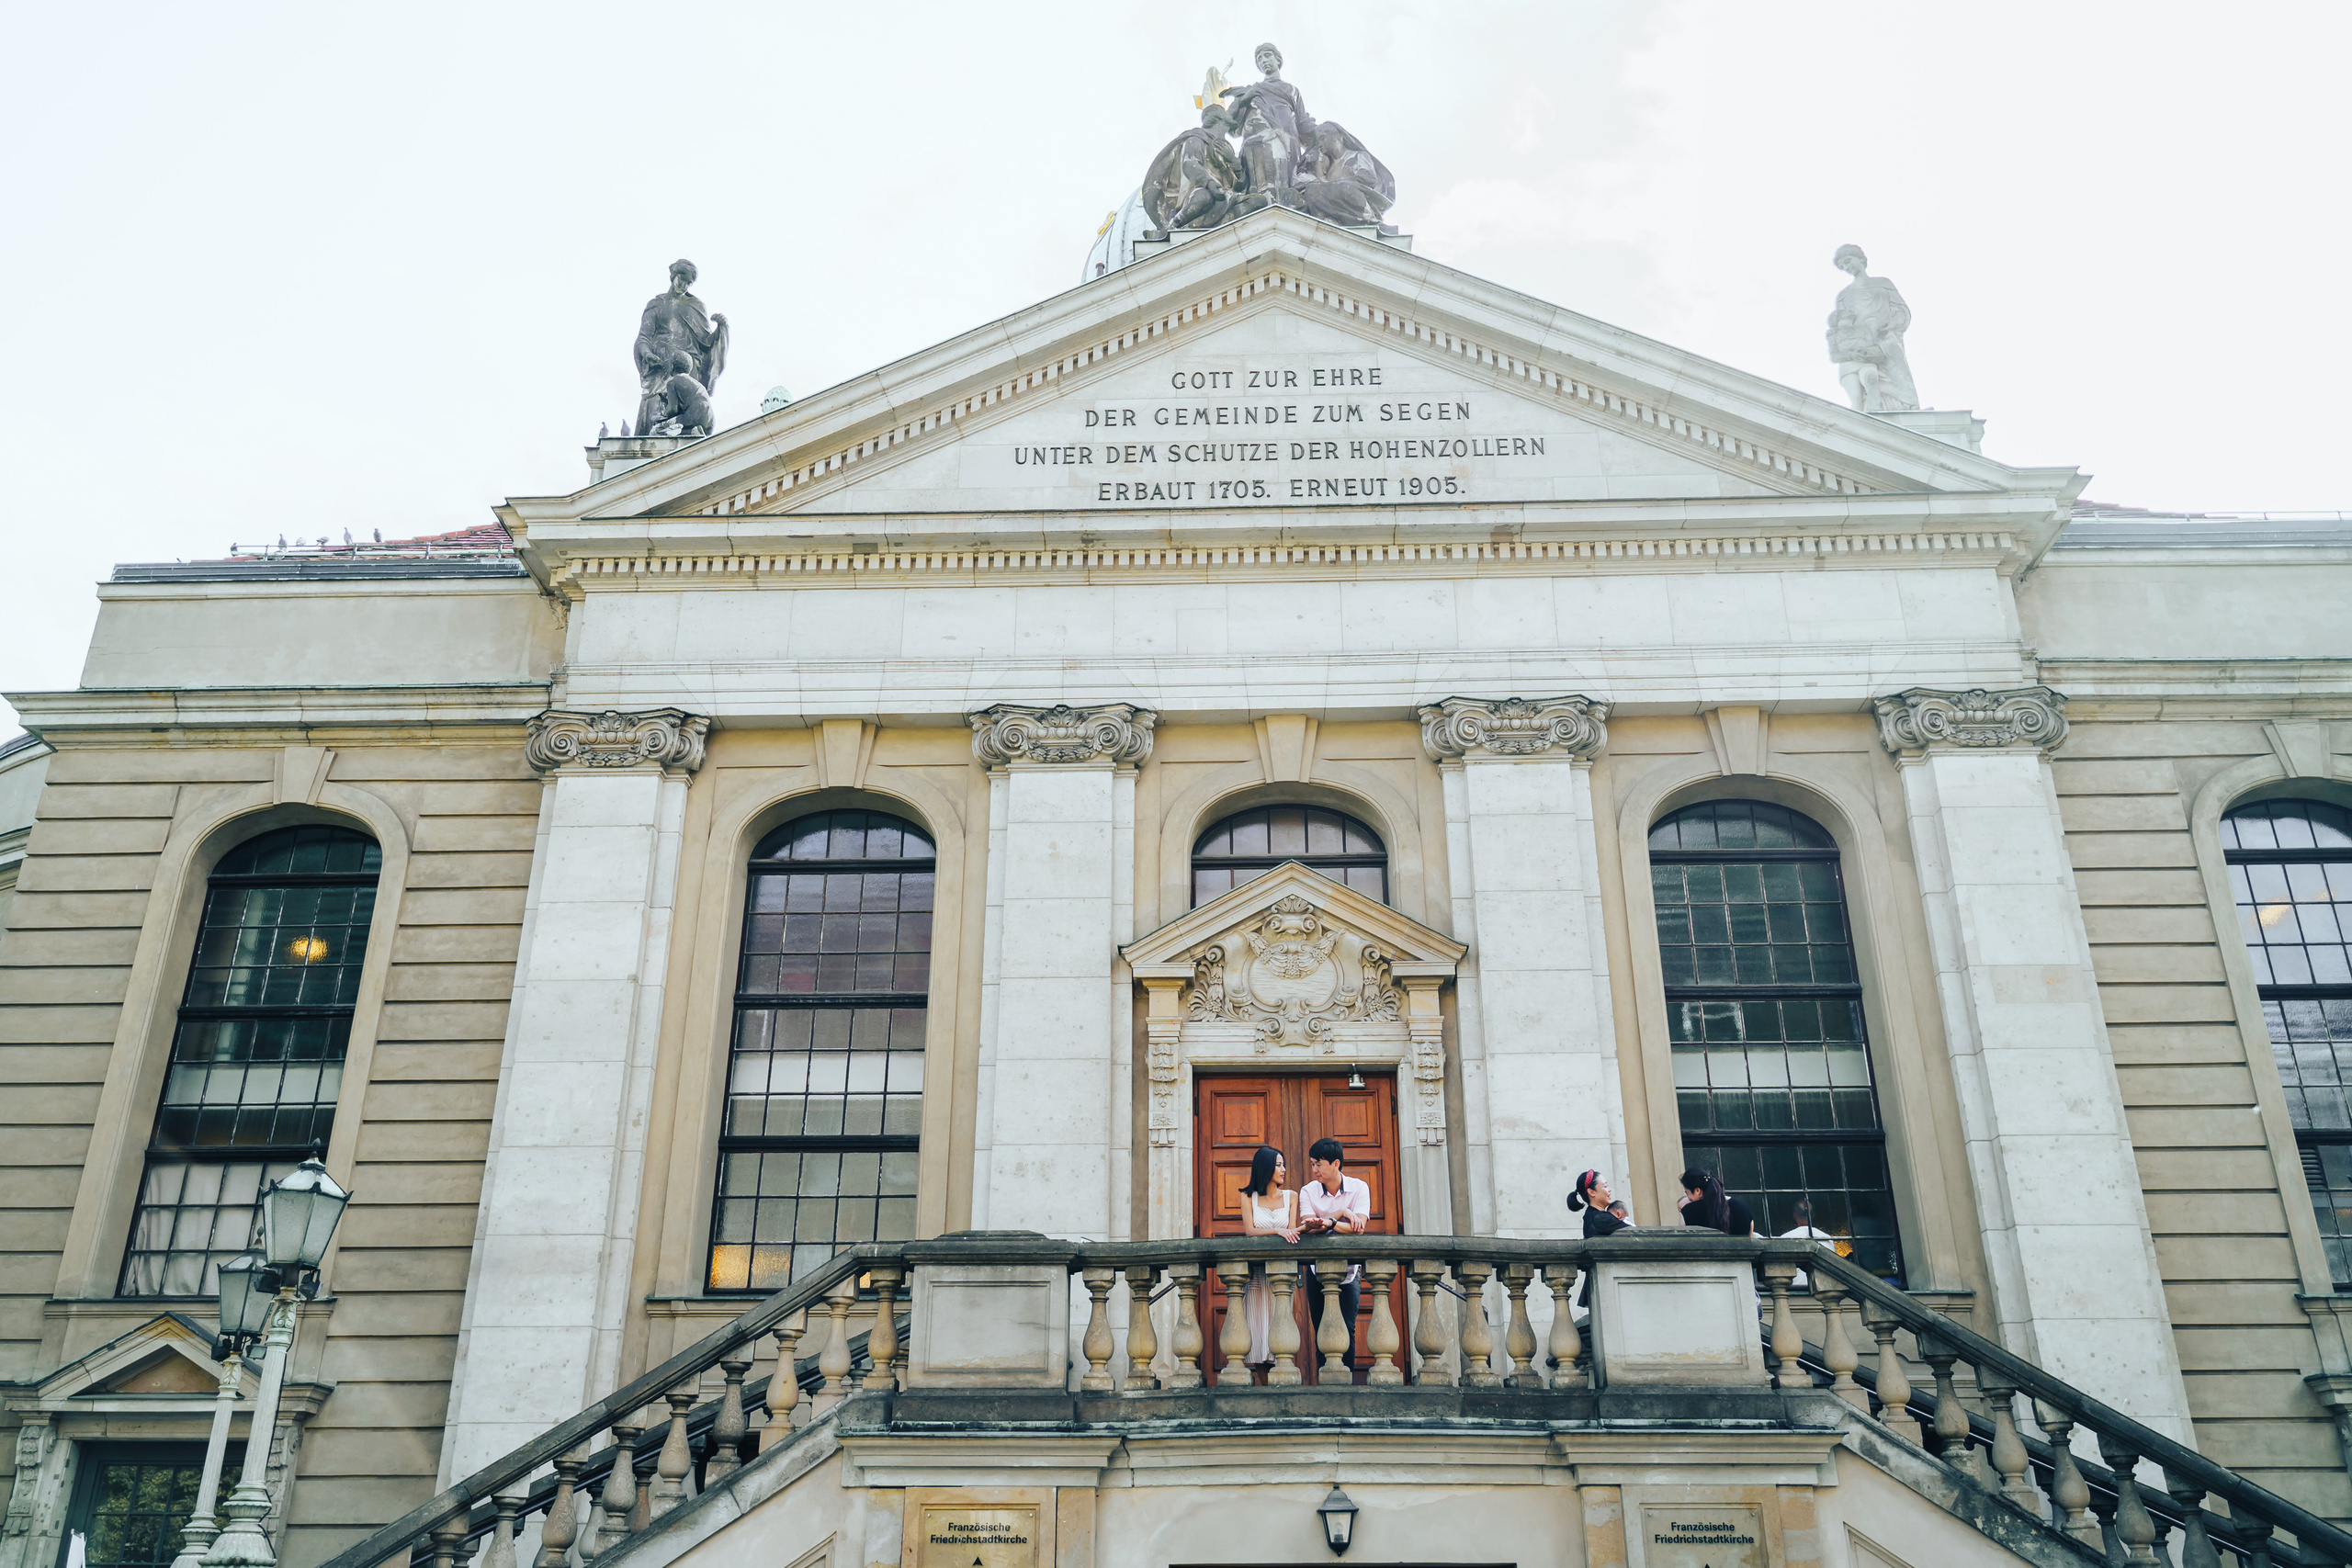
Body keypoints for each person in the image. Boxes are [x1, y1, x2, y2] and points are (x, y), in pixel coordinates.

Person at [1298, 1137, 1371, 1374]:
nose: (1314, 1170)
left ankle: (1346, 1385)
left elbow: (1358, 1229)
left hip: (1350, 1272)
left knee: (1347, 1329)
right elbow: (1309, 1228)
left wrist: (1329, 1222)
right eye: (1312, 1164)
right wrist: (1340, 1216)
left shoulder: (1359, 1188)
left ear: (1336, 1163)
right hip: (1315, 1271)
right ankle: (1325, 1384)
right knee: (1321, 1329)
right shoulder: (1308, 1191)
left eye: (1318, 1164)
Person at [1238, 1144, 1301, 1374]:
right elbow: (1250, 1231)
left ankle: (1282, 1382)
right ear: (1265, 1167)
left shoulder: (1292, 1196)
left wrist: (1288, 1231)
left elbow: (1292, 1232)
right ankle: (1265, 1387)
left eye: (1283, 1164)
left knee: (1281, 1328)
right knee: (1258, 1332)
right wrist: (1277, 1231)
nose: (1283, 1169)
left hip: (1282, 1275)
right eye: (1278, 1165)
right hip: (1256, 1275)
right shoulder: (1247, 1197)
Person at [1566, 1168, 1627, 1308]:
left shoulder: (1593, 1216)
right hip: (1608, 1283)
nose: (1609, 1190)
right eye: (1605, 1186)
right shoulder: (1600, 1218)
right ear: (1592, 1192)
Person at [1776, 1199, 1838, 1289]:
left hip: (1796, 1289)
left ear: (1795, 1215)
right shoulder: (1827, 1238)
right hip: (1825, 1288)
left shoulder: (1785, 1238)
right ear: (1813, 1215)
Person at [1677, 1168, 1756, 1236]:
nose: (1688, 1198)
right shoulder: (1742, 1207)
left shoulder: (1687, 1212)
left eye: (1687, 1193)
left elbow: (1681, 1243)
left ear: (1697, 1191)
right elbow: (1749, 1240)